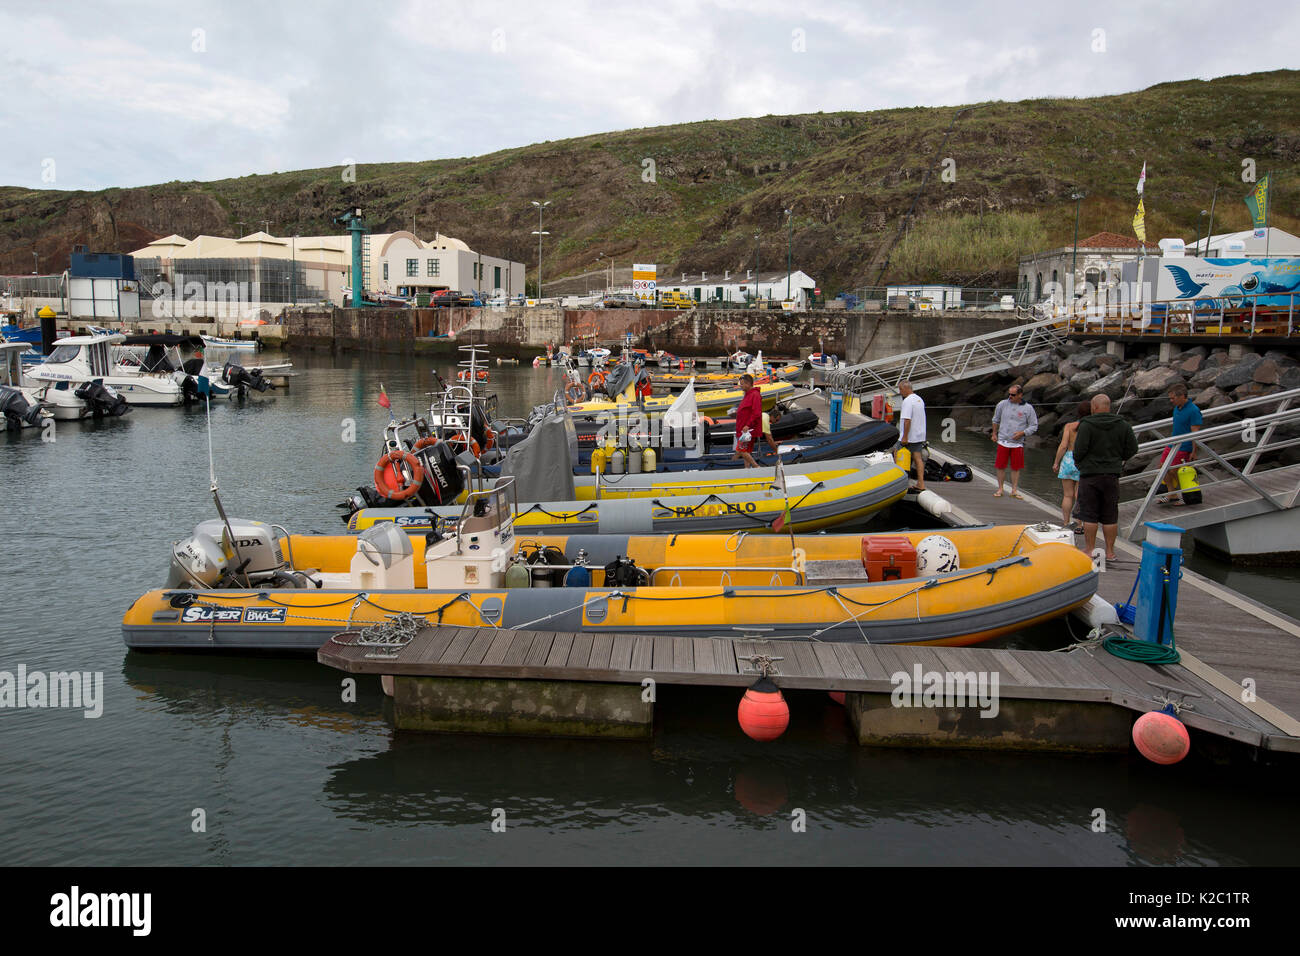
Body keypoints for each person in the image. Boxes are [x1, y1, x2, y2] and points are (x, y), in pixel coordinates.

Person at [1073, 393, 1139, 562]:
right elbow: (1132, 448)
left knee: (1089, 514)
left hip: (1090, 475)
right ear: (1108, 406)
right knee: (1110, 515)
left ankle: (1090, 549)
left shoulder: (1086, 425)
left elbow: (1079, 450)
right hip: (1111, 475)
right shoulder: (1122, 424)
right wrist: (1119, 458)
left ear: (1094, 407)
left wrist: (1081, 465)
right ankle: (1110, 552)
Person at [991, 383, 1038, 498]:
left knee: (1015, 467)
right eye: (1009, 394)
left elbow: (1034, 426)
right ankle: (1000, 489)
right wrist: (994, 433)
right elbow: (995, 419)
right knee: (1000, 466)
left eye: (1013, 395)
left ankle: (1014, 490)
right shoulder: (1002, 404)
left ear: (1020, 395)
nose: (1010, 397)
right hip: (1003, 440)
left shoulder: (1028, 408)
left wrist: (1023, 433)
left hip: (1017, 444)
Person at [1159, 383, 1202, 505]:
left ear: (1182, 396)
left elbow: (1195, 433)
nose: (1171, 401)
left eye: (1173, 398)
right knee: (1162, 467)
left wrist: (1194, 451)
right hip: (1173, 444)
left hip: (1184, 447)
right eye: (1170, 398)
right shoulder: (1177, 408)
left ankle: (1185, 495)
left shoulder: (1193, 410)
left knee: (1174, 471)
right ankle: (1171, 494)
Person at [1052, 400, 1091, 532]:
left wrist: (1056, 462)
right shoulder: (1091, 427)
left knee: (1067, 495)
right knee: (1079, 496)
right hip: (1083, 461)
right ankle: (1079, 525)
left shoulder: (1069, 426)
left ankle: (1065, 522)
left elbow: (1063, 446)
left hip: (1068, 459)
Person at [897, 380, 928, 491]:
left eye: (900, 389)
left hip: (909, 436)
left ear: (906, 388)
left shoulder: (908, 401)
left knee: (897, 454)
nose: (900, 392)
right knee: (918, 458)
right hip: (919, 435)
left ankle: (898, 482)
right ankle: (921, 483)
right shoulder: (919, 399)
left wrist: (905, 436)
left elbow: (907, 420)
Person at [734, 373, 762, 468]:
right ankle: (747, 469)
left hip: (748, 429)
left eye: (742, 384)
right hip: (742, 428)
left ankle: (756, 466)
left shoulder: (755, 395)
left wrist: (748, 425)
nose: (740, 386)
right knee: (747, 450)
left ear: (748, 384)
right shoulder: (747, 394)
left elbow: (756, 412)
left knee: (742, 450)